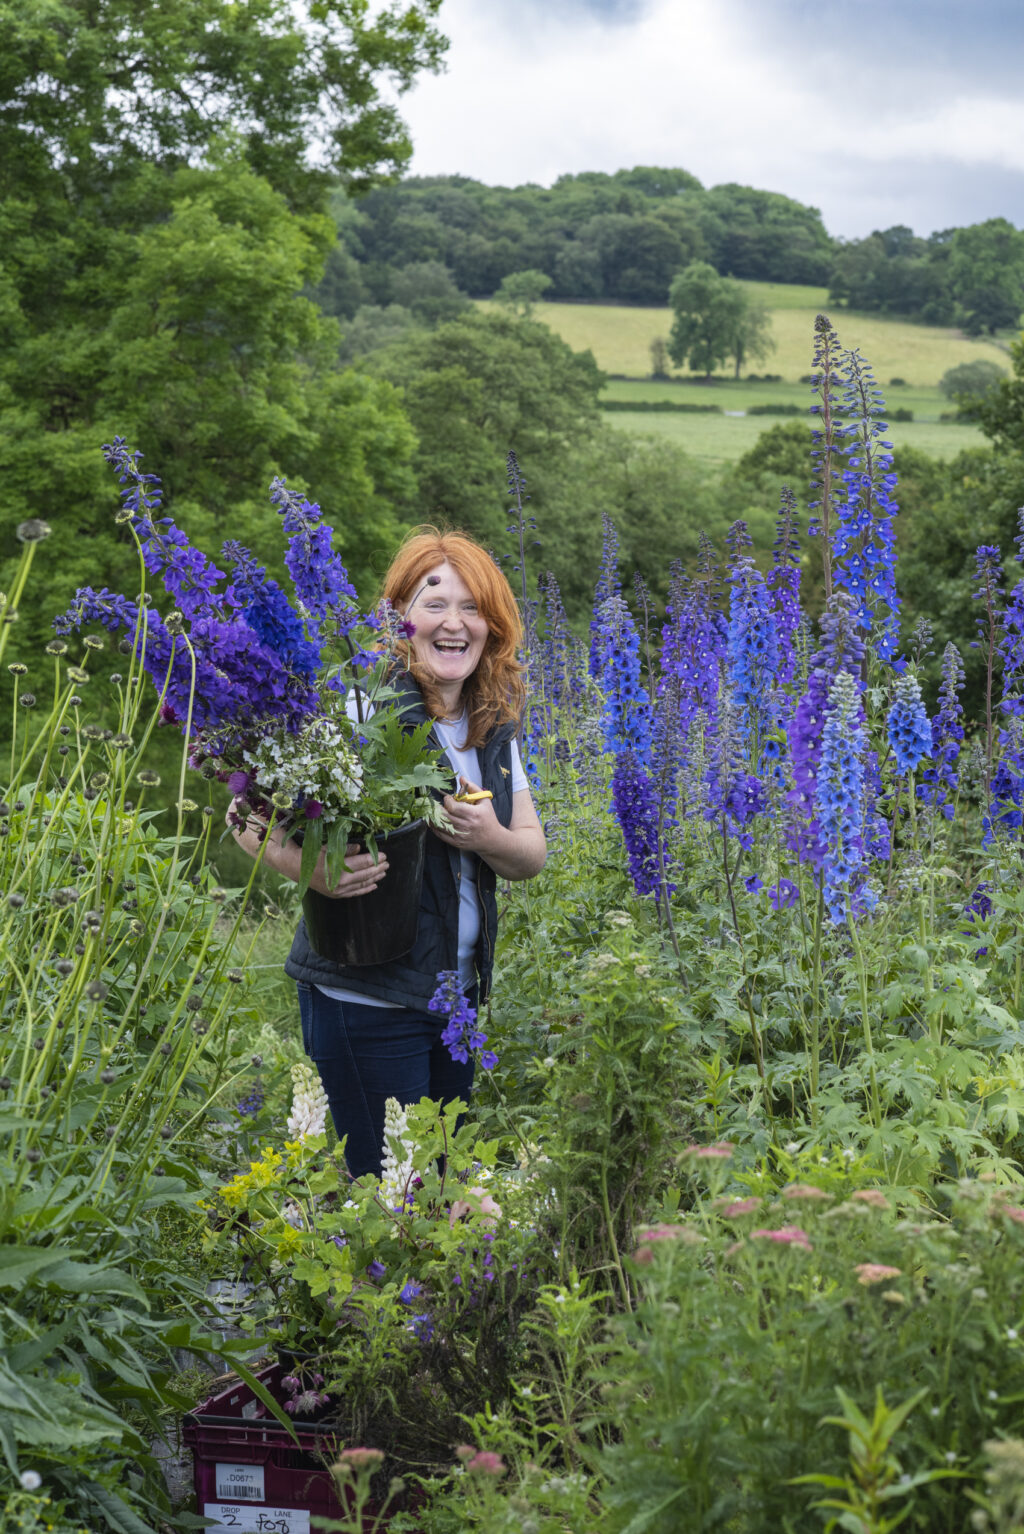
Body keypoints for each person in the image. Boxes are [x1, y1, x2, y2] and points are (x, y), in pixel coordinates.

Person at [230, 529, 546, 1177]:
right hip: (364, 996)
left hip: (452, 1001)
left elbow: (530, 854)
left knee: (438, 1188)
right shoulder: (361, 708)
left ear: (493, 624)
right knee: (392, 1195)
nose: (454, 623)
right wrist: (312, 870)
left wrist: (488, 837)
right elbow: (244, 815)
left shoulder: (490, 724)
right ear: (398, 616)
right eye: (434, 604)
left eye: (472, 607)